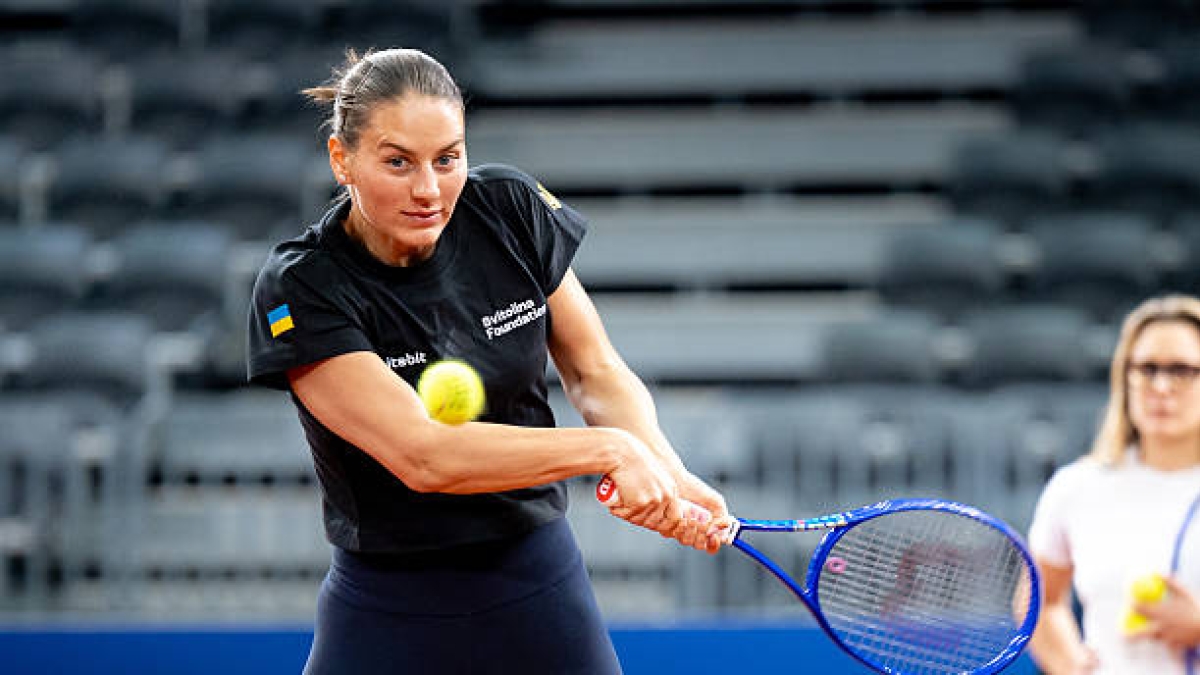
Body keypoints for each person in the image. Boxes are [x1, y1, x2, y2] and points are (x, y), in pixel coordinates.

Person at [245, 48, 731, 674]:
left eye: (447, 159)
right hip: (386, 607)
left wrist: (667, 472)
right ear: (342, 159)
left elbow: (595, 372)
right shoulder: (302, 285)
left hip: (538, 584)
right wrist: (612, 451)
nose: (428, 190)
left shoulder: (508, 208)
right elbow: (425, 456)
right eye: (398, 162)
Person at [1027, 294, 1200, 675]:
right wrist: (1069, 663)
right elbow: (1040, 600)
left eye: (1183, 370)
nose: (1161, 386)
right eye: (1146, 369)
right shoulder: (1077, 487)